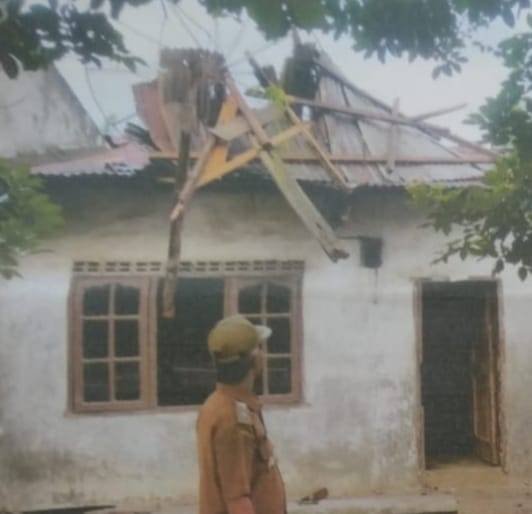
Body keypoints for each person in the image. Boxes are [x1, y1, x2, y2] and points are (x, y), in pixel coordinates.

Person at [196, 315, 286, 514]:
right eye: (259, 348)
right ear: (253, 360)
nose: (263, 353)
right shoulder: (233, 419)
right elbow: (238, 501)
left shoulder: (216, 404)